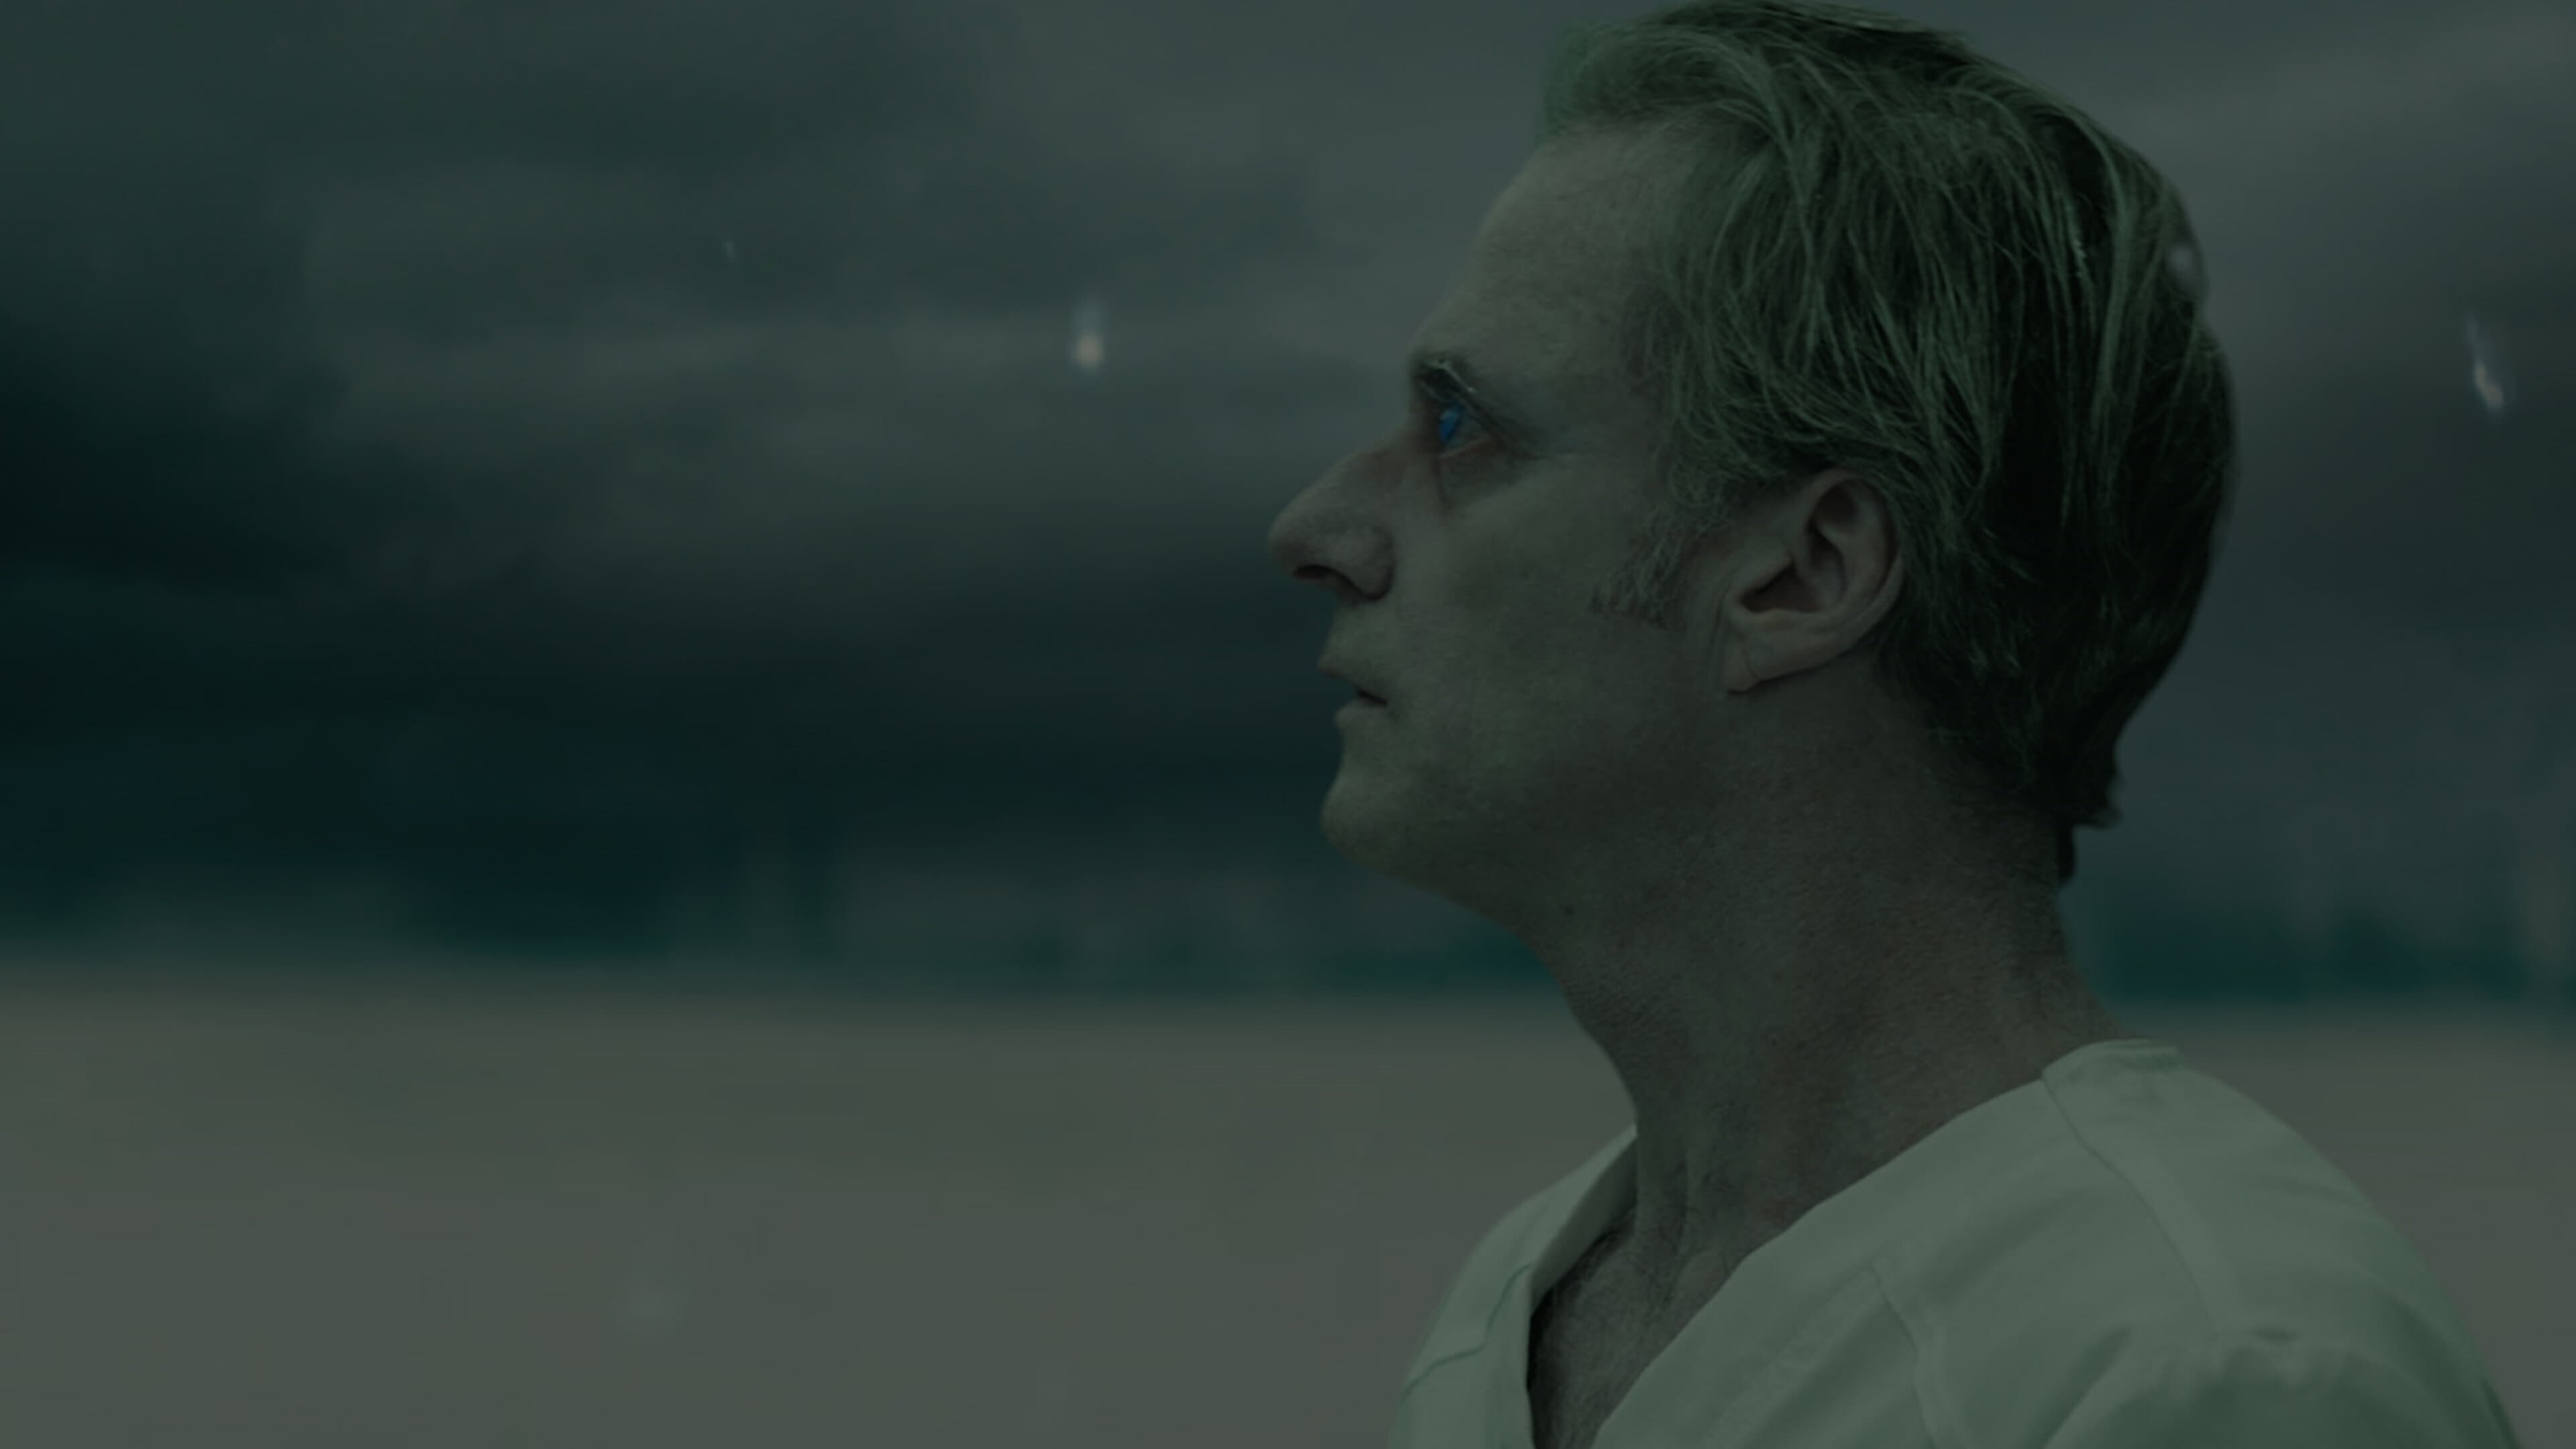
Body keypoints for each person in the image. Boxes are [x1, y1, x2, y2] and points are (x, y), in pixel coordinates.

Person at [1263, 3, 2526, 1445]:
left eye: (1462, 430)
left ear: (1804, 575)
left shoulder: (2208, 1368)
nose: (1317, 529)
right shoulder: (1518, 1304)